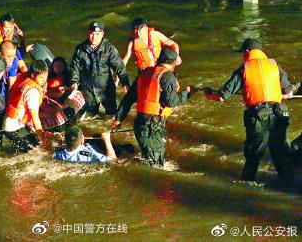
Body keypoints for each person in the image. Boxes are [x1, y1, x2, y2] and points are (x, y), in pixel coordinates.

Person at [204, 38, 294, 186]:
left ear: (247, 52)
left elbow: (222, 96)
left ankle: (245, 189)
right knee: (281, 156)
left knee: (253, 156)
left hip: (258, 117)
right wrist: (278, 95)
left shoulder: (243, 69)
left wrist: (208, 94)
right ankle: (289, 187)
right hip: (280, 115)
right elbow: (289, 93)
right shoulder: (274, 65)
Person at [112, 48, 195, 167]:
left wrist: (119, 118)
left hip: (140, 124)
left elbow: (128, 98)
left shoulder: (145, 73)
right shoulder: (167, 75)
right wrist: (187, 93)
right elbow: (171, 101)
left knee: (150, 160)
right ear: (172, 63)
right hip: (151, 127)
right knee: (156, 165)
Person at [70, 21, 130, 115]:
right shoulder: (80, 49)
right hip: (88, 90)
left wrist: (125, 83)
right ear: (88, 33)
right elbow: (74, 67)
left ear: (102, 34)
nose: (94, 37)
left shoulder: (109, 49)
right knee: (91, 117)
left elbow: (119, 67)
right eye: (92, 34)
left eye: (97, 34)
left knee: (111, 115)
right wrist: (74, 81)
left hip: (106, 89)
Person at [2, 60, 54, 152]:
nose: (44, 80)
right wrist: (41, 136)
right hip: (14, 128)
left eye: (46, 76)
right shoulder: (33, 92)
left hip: (9, 122)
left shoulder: (25, 76)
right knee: (38, 150)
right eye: (42, 77)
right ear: (33, 75)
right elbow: (35, 117)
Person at [53, 126, 117, 163]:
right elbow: (113, 160)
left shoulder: (57, 154)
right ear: (81, 142)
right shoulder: (91, 155)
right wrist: (107, 140)